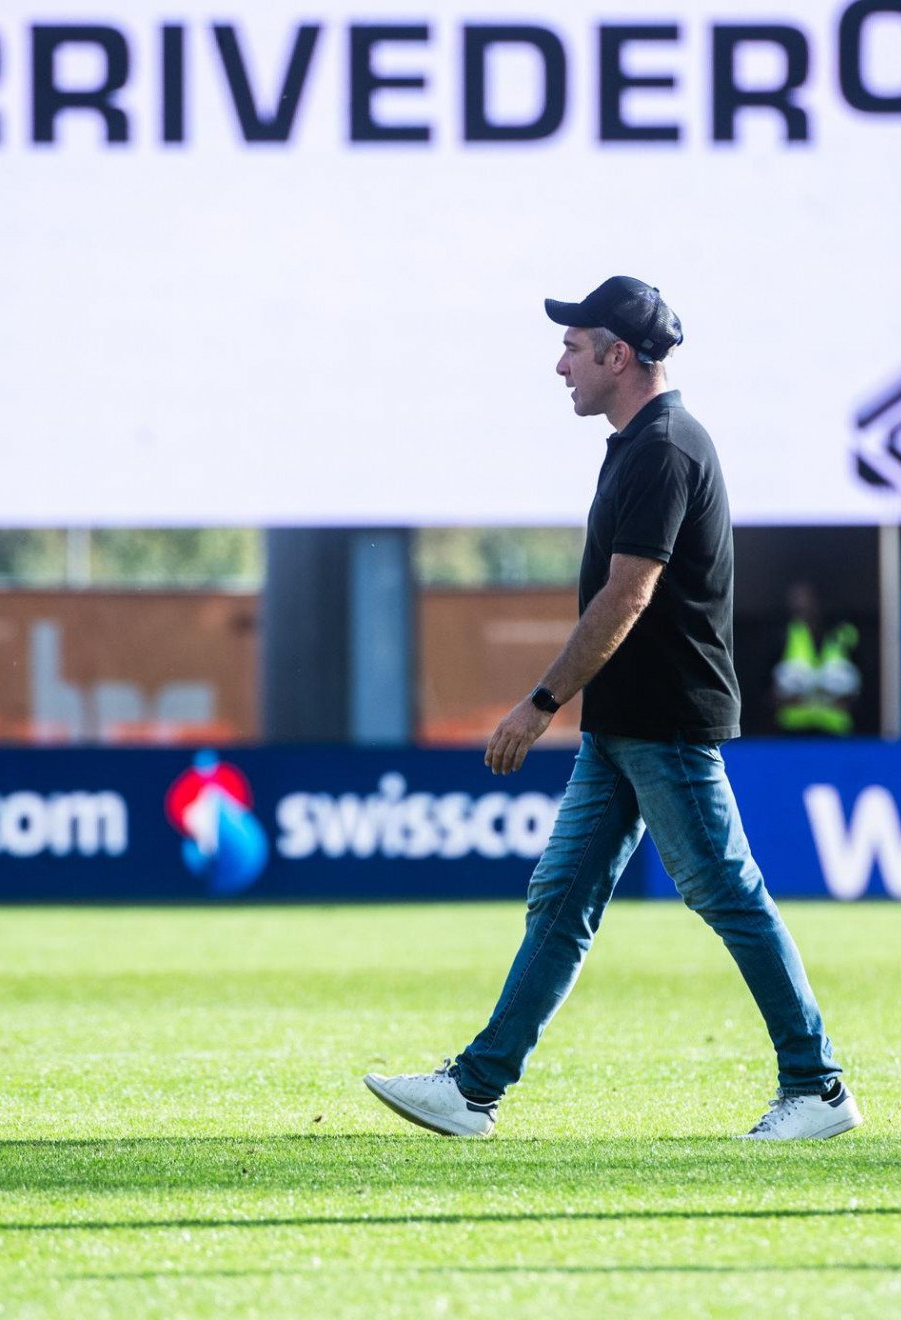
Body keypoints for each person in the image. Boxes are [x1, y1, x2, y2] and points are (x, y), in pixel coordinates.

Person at [363, 277, 859, 1140]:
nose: (561, 364)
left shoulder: (664, 448)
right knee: (561, 898)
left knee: (727, 894)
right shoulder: (638, 443)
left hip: (664, 721)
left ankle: (817, 1087)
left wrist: (541, 701)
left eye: (573, 346)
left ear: (617, 355)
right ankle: (474, 1091)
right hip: (628, 726)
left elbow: (628, 595)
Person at [774, 581, 861, 735]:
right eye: (797, 601)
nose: (804, 606)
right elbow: (765, 687)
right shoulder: (781, 635)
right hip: (792, 730)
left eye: (808, 599)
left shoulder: (846, 633)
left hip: (836, 729)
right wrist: (783, 697)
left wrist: (847, 699)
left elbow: (867, 681)